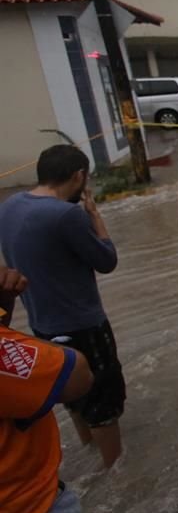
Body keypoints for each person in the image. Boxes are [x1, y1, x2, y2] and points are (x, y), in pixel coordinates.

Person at [0, 145, 125, 468]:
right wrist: (95, 216)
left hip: (42, 326)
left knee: (71, 394)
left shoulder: (10, 206)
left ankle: (89, 451)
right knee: (104, 403)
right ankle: (116, 471)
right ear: (79, 176)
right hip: (85, 324)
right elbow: (107, 260)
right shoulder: (67, 215)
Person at [1, 265, 95, 513]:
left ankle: (97, 456)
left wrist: (2, 309)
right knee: (103, 406)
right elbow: (77, 376)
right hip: (30, 509)